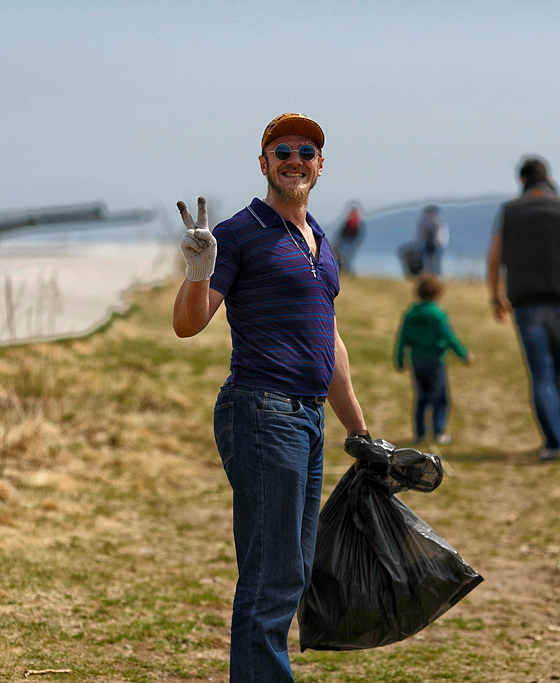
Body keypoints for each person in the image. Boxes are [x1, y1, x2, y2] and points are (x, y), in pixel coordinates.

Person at [172, 113, 372, 683]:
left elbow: (327, 339)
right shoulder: (238, 233)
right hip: (262, 411)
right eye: (281, 149)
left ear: (320, 166)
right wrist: (196, 270)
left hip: (306, 419)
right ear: (263, 163)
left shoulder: (319, 240)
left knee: (292, 570)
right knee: (271, 576)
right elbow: (189, 326)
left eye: (306, 151)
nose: (295, 158)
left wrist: (357, 430)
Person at [486, 156, 560, 462]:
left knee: (540, 373)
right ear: (548, 178)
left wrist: (495, 297)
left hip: (526, 303)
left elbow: (494, 258)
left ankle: (553, 441)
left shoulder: (508, 212)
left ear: (522, 181)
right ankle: (557, 435)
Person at [394, 273, 472, 445]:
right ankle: (438, 432)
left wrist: (399, 359)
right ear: (438, 294)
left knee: (421, 397)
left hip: (416, 361)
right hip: (435, 361)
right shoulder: (438, 314)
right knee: (440, 398)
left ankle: (420, 433)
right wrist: (463, 354)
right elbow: (448, 336)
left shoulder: (410, 314)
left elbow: (402, 338)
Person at [416, 204, 448, 275]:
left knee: (436, 261)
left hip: (437, 244)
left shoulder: (439, 222)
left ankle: (437, 275)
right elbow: (420, 234)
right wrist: (419, 243)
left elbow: (442, 235)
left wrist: (439, 242)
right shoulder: (423, 222)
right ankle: (428, 275)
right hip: (426, 243)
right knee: (427, 260)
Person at [334, 202, 364, 274]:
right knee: (348, 256)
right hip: (350, 241)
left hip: (347, 240)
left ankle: (346, 269)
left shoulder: (350, 221)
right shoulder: (357, 222)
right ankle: (347, 269)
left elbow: (341, 232)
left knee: (345, 256)